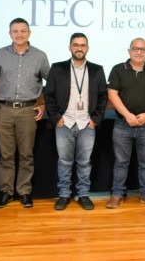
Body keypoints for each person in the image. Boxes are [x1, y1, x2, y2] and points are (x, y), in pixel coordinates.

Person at [0, 18, 50, 209]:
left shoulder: (40, 56)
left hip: (27, 111)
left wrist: (43, 104)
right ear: (10, 34)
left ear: (29, 33)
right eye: (15, 31)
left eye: (23, 31)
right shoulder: (0, 54)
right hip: (3, 110)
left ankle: (24, 192)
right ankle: (6, 192)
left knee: (26, 154)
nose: (19, 34)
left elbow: (51, 83)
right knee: (6, 155)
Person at [45, 33, 108, 211]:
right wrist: (57, 118)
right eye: (75, 45)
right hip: (65, 122)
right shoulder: (58, 68)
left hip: (87, 123)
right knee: (64, 162)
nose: (79, 48)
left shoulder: (97, 70)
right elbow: (48, 95)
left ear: (87, 48)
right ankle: (64, 194)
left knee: (84, 162)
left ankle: (83, 194)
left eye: (82, 45)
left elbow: (103, 97)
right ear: (70, 47)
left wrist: (95, 120)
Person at [106, 38, 145, 209]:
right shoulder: (118, 69)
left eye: (142, 49)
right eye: (135, 49)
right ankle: (117, 194)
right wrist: (127, 115)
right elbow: (112, 94)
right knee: (120, 162)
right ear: (129, 51)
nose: (138, 52)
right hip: (122, 125)